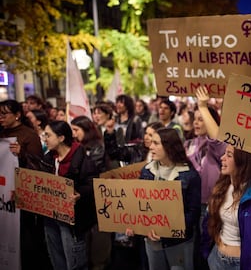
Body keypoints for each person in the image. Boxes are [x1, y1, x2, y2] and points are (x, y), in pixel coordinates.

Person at [126, 128, 201, 270]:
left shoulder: (190, 176)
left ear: (169, 146)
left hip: (179, 243)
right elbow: (139, 203)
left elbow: (193, 213)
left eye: (156, 143)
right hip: (151, 240)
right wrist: (134, 223)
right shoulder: (146, 171)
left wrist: (166, 232)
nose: (151, 147)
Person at [0, 99, 52, 270]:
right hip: (3, 194)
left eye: (4, 114)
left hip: (23, 197)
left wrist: (21, 154)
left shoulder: (29, 136)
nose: (0, 118)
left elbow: (38, 168)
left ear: (17, 115)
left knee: (25, 238)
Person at [41, 120, 99, 270]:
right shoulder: (48, 159)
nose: (44, 138)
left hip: (72, 219)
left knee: (74, 261)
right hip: (50, 217)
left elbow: (93, 183)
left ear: (61, 138)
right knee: (56, 257)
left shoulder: (82, 159)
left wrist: (79, 194)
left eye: (48, 135)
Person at [184, 86, 227, 269]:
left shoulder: (218, 146)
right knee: (192, 249)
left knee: (207, 249)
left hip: (211, 205)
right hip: (191, 205)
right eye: (195, 119)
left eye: (202, 120)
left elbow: (216, 139)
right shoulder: (188, 144)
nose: (196, 123)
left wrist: (203, 106)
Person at [70, 116, 111, 270]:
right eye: (72, 130)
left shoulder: (96, 147)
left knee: (98, 241)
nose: (73, 134)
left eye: (76, 130)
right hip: (85, 200)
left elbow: (91, 170)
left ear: (86, 130)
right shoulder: (77, 147)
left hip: (97, 199)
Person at [104, 94, 144, 166]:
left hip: (130, 154)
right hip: (117, 152)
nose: (118, 105)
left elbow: (140, 138)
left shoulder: (135, 119)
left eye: (121, 103)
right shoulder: (114, 119)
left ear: (127, 105)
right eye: (117, 102)